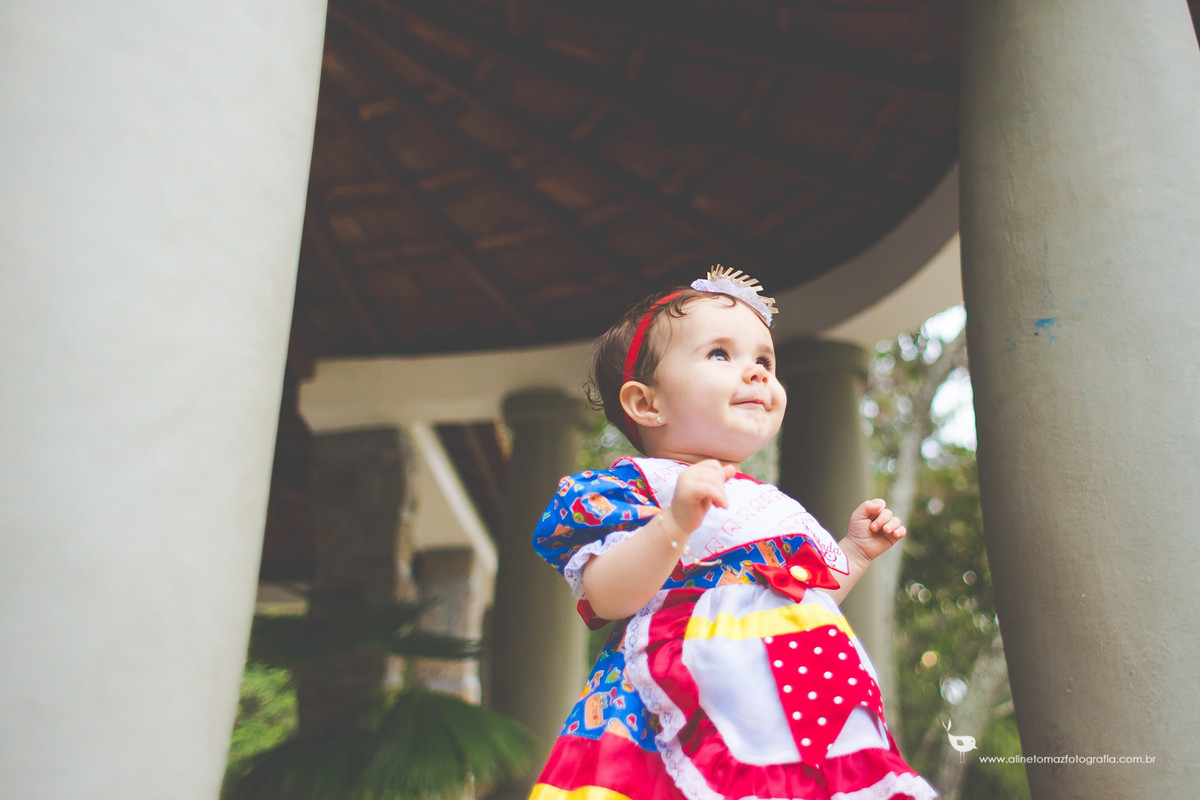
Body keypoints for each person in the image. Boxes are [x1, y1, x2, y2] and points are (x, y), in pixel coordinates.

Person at [528, 267, 937, 800]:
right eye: (720, 354)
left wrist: (854, 553)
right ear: (646, 403)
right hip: (680, 698)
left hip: (796, 707)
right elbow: (607, 595)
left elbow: (794, 602)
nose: (756, 373)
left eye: (764, 360)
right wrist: (672, 524)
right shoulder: (635, 487)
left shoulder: (768, 503)